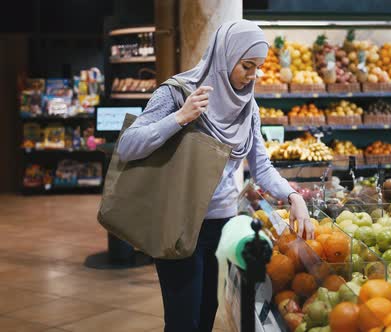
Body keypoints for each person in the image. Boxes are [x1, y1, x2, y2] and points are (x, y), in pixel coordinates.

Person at [117, 20, 314, 332]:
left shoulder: (248, 107)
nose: (254, 75)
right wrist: (179, 118)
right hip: (178, 224)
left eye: (259, 67)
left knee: (207, 311)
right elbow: (127, 146)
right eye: (247, 66)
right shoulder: (177, 93)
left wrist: (292, 197)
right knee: (184, 321)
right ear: (225, 56)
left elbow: (261, 167)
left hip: (219, 224)